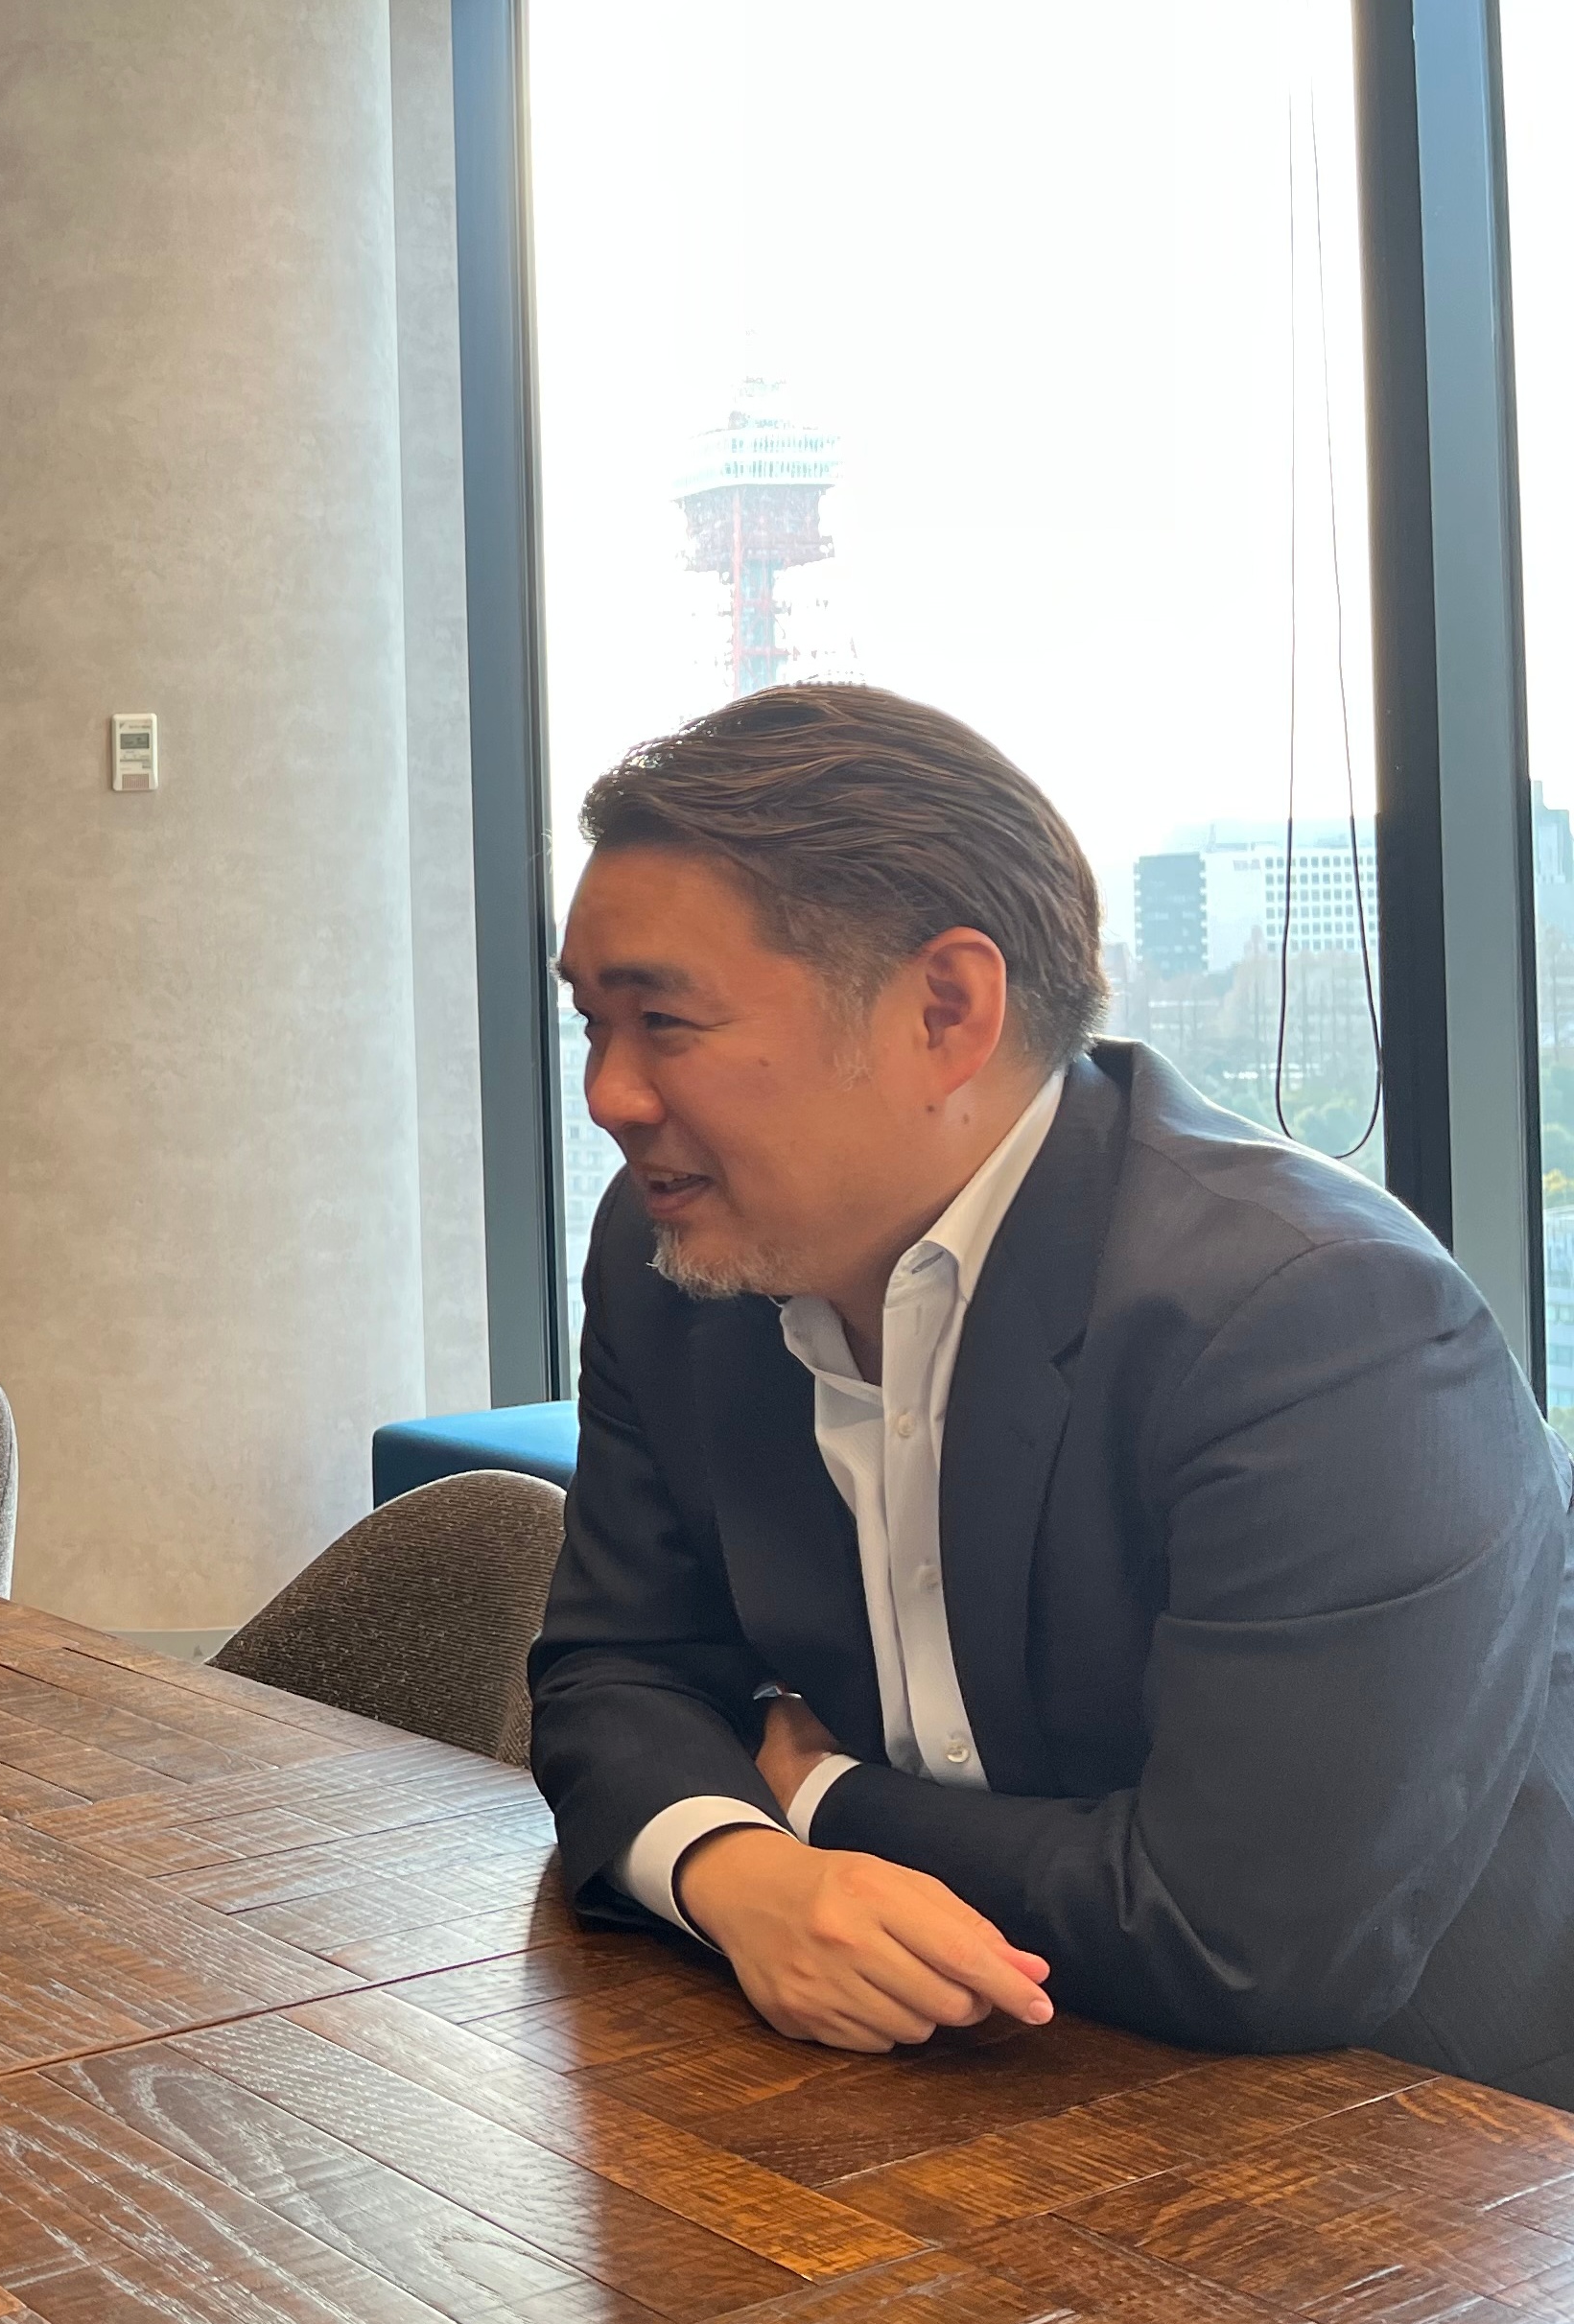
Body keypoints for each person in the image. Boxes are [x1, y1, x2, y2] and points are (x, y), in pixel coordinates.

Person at [530, 681, 1574, 2105]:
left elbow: (1245, 1940)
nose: (610, 1094)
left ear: (945, 1010)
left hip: (1415, 2132)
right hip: (934, 2077)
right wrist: (737, 1868)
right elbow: (613, 1669)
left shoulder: (1318, 1320)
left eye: (664, 1020)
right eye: (591, 1022)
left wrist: (820, 1797)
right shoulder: (672, 1257)